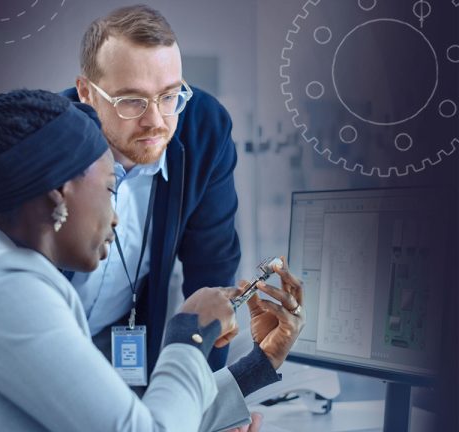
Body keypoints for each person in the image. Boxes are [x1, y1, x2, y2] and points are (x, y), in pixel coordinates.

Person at [0, 81, 304, 431]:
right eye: (110, 191)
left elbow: (124, 419)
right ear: (59, 196)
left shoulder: (6, 276)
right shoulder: (1, 290)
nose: (116, 218)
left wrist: (258, 364)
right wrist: (190, 332)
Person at [60, 5, 304, 377]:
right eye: (131, 101)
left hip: (120, 344)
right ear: (86, 94)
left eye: (170, 95)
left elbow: (211, 279)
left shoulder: (203, 129)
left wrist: (209, 405)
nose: (155, 120)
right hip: (39, 336)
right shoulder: (43, 137)